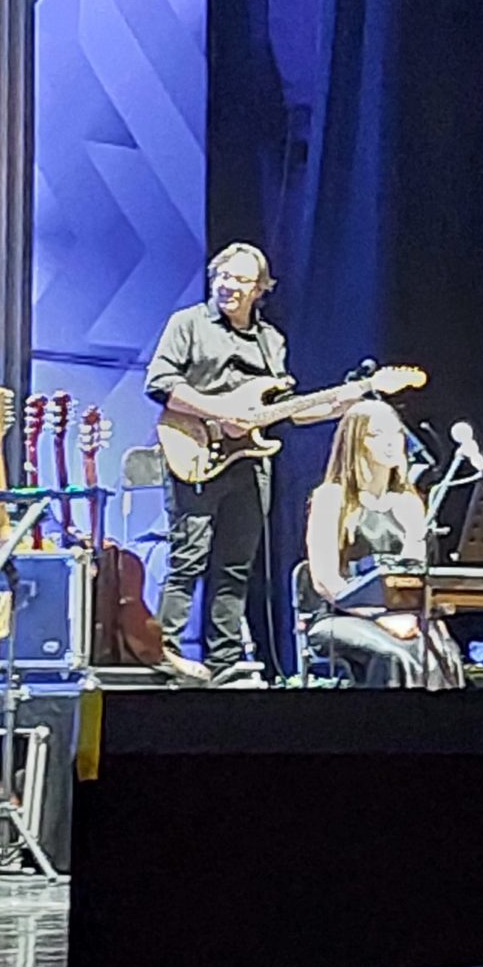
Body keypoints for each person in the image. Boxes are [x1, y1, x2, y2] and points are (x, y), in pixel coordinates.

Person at [146, 242, 368, 683]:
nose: (228, 286)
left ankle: (224, 662)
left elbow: (285, 410)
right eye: (223, 276)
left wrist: (340, 404)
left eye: (240, 279)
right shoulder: (188, 324)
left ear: (260, 289)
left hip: (248, 464)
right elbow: (160, 383)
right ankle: (163, 652)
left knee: (234, 566)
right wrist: (219, 413)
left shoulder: (271, 341)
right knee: (188, 560)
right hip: (195, 452)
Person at [300, 401, 443, 688]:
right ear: (355, 442)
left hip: (400, 614)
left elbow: (414, 573)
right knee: (394, 656)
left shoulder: (409, 502)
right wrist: (380, 616)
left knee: (440, 651)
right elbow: (326, 581)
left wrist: (413, 616)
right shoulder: (331, 498)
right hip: (340, 614)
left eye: (396, 433)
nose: (391, 442)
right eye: (377, 434)